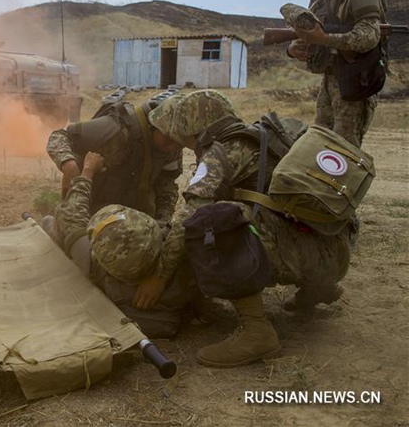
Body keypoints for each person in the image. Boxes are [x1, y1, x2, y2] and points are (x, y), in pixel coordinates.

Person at [133, 89, 350, 367]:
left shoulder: (219, 154)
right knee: (264, 213)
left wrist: (159, 277)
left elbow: (188, 220)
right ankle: (318, 288)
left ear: (195, 128)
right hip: (334, 254)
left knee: (213, 222)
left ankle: (256, 331)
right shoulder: (264, 138)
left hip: (304, 255)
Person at [43, 151, 219, 339]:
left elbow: (71, 217)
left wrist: (87, 171)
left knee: (49, 222)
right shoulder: (187, 265)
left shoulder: (95, 267)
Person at [286, 0, 383, 148]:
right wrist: (294, 48)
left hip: (354, 80)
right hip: (329, 81)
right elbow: (306, 35)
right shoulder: (319, 0)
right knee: (320, 147)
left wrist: (325, 39)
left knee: (343, 152)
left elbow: (369, 36)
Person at [46, 97, 184, 228]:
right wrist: (69, 165)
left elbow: (167, 184)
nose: (172, 147)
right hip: (92, 215)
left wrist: (162, 221)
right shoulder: (119, 131)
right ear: (155, 125)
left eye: (179, 144)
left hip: (136, 224)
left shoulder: (171, 146)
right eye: (168, 140)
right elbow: (60, 136)